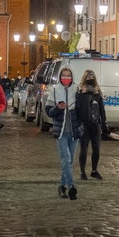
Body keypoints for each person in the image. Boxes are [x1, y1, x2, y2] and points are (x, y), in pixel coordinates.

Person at [46, 67, 82, 200]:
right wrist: (57, 108)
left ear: (72, 77)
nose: (66, 78)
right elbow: (48, 111)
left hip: (74, 131)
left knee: (69, 161)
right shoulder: (55, 91)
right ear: (60, 77)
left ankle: (62, 186)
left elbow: (82, 110)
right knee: (65, 158)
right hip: (61, 132)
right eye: (64, 75)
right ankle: (72, 186)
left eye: (68, 75)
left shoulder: (76, 91)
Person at [76, 69, 107, 181]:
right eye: (88, 78)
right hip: (84, 123)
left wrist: (104, 122)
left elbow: (101, 109)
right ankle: (82, 172)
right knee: (83, 148)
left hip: (95, 123)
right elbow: (77, 108)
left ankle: (94, 170)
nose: (90, 80)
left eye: (92, 78)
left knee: (96, 149)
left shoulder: (97, 92)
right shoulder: (80, 91)